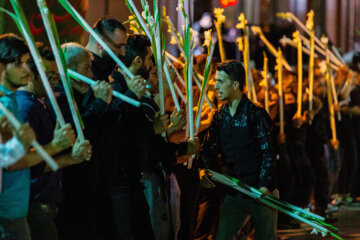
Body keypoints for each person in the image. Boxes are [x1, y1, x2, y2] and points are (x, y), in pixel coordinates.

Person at [0, 33, 74, 240]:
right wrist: (55, 146)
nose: (28, 70)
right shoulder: (5, 105)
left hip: (16, 210)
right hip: (8, 211)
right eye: (19, 64)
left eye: (27, 63)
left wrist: (67, 156)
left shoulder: (10, 100)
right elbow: (11, 161)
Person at [16, 43, 92, 240]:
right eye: (49, 76)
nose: (55, 82)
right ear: (31, 75)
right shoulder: (25, 108)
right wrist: (65, 153)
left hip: (47, 202)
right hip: (34, 203)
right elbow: (26, 164)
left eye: (56, 76)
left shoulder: (38, 103)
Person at [198, 60, 276, 240]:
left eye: (220, 81)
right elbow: (208, 148)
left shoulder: (255, 114)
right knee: (223, 236)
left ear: (235, 84)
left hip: (260, 190)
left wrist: (264, 185)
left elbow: (268, 152)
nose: (215, 86)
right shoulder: (219, 115)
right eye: (215, 81)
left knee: (266, 237)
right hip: (235, 189)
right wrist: (202, 169)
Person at [86, 16, 127, 81]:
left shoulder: (103, 71)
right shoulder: (85, 72)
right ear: (100, 43)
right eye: (119, 46)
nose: (123, 53)